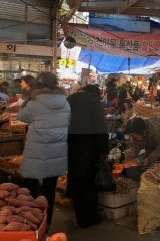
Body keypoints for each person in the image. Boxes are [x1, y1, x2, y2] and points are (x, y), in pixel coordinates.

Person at [16, 71, 70, 228]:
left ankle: (31, 225)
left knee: (30, 190)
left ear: (38, 85)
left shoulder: (35, 102)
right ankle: (47, 223)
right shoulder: (65, 102)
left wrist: (28, 98)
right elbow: (67, 121)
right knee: (49, 191)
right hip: (57, 153)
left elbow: (20, 116)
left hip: (36, 153)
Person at [67, 84, 109, 228]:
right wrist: (104, 150)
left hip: (72, 144)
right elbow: (100, 126)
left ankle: (79, 216)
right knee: (90, 183)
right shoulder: (94, 102)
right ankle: (89, 217)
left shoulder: (69, 100)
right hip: (90, 146)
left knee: (76, 180)